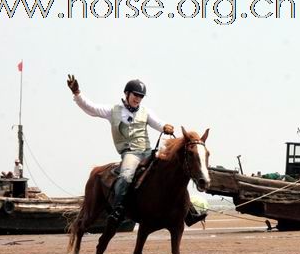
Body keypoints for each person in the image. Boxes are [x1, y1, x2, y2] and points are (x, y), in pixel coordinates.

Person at [67, 75, 206, 226]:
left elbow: (158, 122)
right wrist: (77, 93)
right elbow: (91, 108)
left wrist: (165, 126)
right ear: (127, 94)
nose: (138, 98)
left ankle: (189, 213)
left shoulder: (146, 112)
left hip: (147, 151)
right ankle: (118, 210)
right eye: (135, 95)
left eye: (141, 96)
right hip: (130, 154)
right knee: (126, 176)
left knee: (173, 170)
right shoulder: (112, 110)